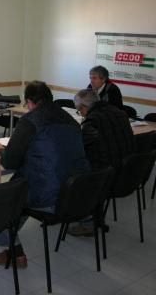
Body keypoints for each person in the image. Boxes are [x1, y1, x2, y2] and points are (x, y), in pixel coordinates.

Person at [0, 81, 90, 267]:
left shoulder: (30, 121)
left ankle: (15, 253)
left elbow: (11, 161)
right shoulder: (72, 121)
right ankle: (10, 232)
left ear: (30, 102)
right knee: (22, 193)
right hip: (76, 194)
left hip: (48, 197)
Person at [67, 88, 134, 236]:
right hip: (127, 174)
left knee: (71, 171)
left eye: (79, 111)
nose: (81, 114)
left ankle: (87, 221)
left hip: (107, 177)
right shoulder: (120, 113)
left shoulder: (93, 121)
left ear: (83, 108)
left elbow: (79, 148)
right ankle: (91, 216)